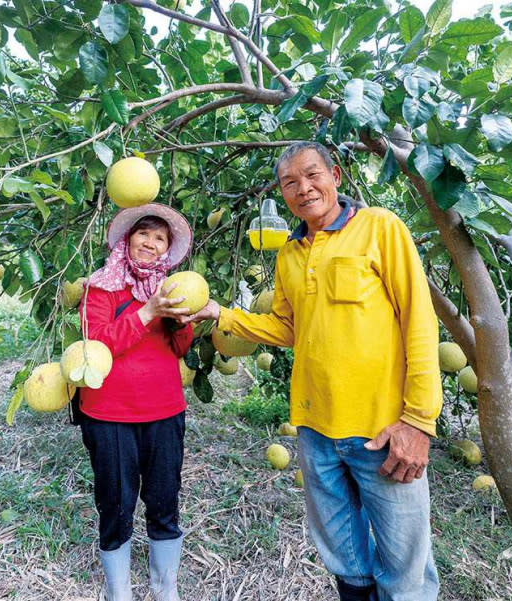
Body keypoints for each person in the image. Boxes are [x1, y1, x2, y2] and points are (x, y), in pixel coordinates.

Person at [185, 142, 442, 601]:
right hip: (315, 431)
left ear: (335, 176)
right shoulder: (289, 255)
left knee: (406, 569)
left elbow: (420, 324)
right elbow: (287, 327)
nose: (303, 188)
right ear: (283, 194)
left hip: (382, 430)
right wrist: (219, 313)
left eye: (312, 175)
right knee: (345, 558)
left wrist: (418, 421)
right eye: (290, 183)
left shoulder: (381, 228)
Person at [78, 203, 195, 601]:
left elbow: (180, 348)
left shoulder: (171, 289)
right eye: (144, 233)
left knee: (164, 500)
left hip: (164, 412)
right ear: (128, 240)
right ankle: (119, 591)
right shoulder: (100, 287)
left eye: (159, 237)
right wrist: (148, 311)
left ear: (166, 250)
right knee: (116, 503)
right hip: (108, 414)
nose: (151, 242)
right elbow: (96, 345)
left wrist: (181, 320)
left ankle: (166, 588)